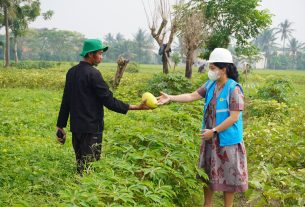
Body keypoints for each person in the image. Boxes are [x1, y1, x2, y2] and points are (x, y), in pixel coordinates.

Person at [157, 48, 248, 207]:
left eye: (213, 68)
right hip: (210, 139)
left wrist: (214, 131)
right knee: (208, 175)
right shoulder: (211, 85)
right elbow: (192, 96)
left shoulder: (234, 89)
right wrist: (170, 98)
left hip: (227, 141)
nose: (210, 71)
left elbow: (234, 117)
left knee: (229, 177)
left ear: (224, 69)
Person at [56, 39, 150, 174]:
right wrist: (136, 107)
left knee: (81, 165)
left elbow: (66, 100)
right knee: (90, 168)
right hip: (92, 129)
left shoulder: (71, 72)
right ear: (90, 54)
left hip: (77, 128)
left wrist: (60, 126)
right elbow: (109, 101)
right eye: (99, 54)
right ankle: (86, 193)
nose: (101, 57)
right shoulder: (93, 74)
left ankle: (78, 190)